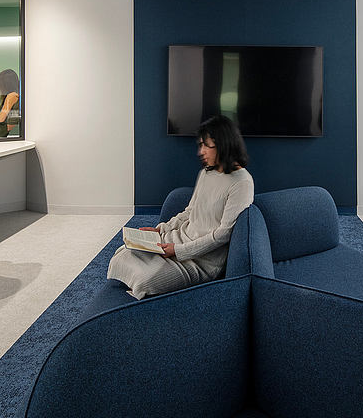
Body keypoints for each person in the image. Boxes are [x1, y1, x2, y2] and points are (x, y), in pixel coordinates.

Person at [107, 115, 254, 299]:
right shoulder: (206, 173)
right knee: (123, 253)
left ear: (224, 144)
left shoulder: (242, 182)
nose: (201, 152)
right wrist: (160, 229)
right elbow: (190, 211)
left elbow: (223, 234)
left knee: (146, 279)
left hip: (202, 260)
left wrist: (178, 251)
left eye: (206, 146)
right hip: (179, 239)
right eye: (200, 145)